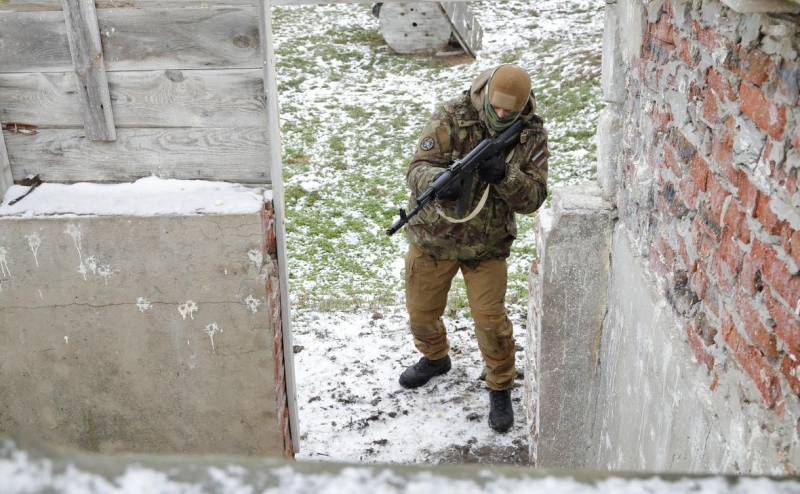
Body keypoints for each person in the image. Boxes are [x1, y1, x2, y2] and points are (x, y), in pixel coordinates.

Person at [398, 64, 549, 433]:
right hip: (433, 239)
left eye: (508, 112)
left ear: (522, 106)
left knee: (491, 322)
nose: (500, 115)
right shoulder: (453, 115)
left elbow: (533, 199)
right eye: (495, 108)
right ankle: (435, 357)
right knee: (421, 313)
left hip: (488, 245)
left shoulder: (530, 136)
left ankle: (499, 386)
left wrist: (505, 175)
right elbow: (417, 167)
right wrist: (438, 181)